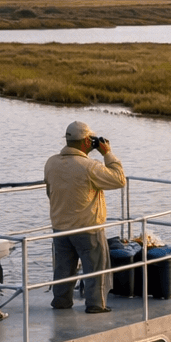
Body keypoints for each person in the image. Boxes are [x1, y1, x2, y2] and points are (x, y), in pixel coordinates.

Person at [44, 121, 126, 313]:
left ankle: (61, 301)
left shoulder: (51, 163)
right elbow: (119, 179)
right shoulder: (90, 166)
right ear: (86, 141)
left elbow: (50, 192)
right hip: (87, 227)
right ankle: (96, 305)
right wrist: (107, 153)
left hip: (60, 226)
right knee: (96, 269)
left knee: (63, 269)